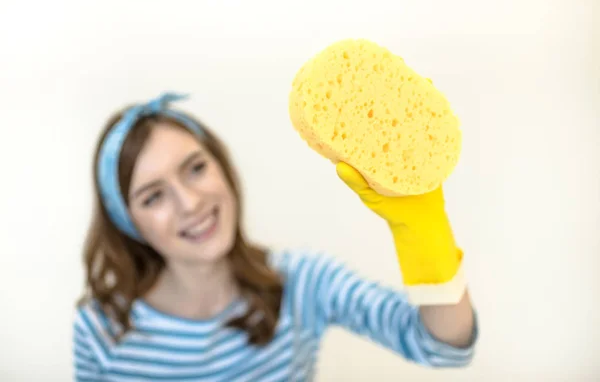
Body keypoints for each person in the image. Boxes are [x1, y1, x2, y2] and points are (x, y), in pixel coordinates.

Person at [72, 92, 478, 381]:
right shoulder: (102, 327)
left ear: (223, 167)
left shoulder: (302, 282)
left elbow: (442, 346)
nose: (190, 202)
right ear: (127, 222)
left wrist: (425, 232)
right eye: (153, 196)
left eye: (195, 168)